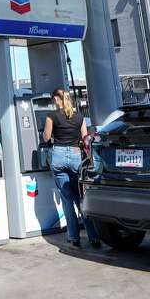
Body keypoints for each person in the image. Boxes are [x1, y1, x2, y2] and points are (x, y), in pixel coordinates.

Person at [43, 88, 100, 249]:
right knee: (81, 198)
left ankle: (74, 238)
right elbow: (84, 138)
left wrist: (47, 134)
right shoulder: (79, 117)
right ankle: (94, 237)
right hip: (76, 156)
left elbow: (46, 137)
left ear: (56, 99)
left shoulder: (51, 116)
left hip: (59, 156)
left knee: (67, 200)